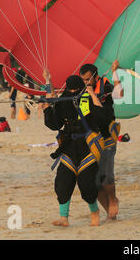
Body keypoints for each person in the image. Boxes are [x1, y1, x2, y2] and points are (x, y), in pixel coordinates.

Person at [43, 72, 113, 227]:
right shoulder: (63, 101)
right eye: (71, 90)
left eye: (76, 90)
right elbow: (54, 124)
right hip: (68, 146)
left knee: (87, 184)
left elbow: (103, 117)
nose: (73, 93)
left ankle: (94, 212)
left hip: (88, 146)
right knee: (62, 182)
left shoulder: (87, 99)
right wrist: (48, 105)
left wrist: (92, 95)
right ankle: (64, 218)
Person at [79, 60, 123, 220]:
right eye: (83, 80)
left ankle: (113, 199)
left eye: (88, 79)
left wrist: (114, 72)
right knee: (93, 181)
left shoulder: (104, 84)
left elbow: (119, 95)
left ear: (95, 77)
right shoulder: (81, 90)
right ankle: (109, 212)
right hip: (90, 134)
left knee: (105, 172)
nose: (86, 82)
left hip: (107, 132)